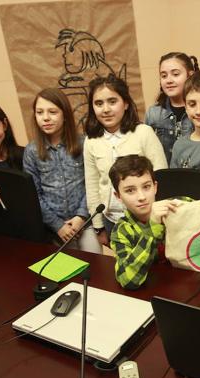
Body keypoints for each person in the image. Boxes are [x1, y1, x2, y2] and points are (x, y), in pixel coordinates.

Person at [84, 74, 167, 247]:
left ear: (126, 103)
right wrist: (98, 226)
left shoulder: (144, 133)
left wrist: (158, 218)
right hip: (112, 220)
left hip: (147, 219)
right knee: (126, 269)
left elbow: (162, 177)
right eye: (99, 104)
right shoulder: (91, 140)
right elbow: (92, 185)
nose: (106, 109)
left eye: (112, 101)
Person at [23, 88, 102, 254]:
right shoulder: (31, 151)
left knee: (97, 267)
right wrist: (58, 225)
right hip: (54, 229)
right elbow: (33, 194)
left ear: (65, 115)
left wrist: (81, 216)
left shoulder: (83, 143)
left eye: (52, 112)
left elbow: (92, 183)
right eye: (40, 112)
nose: (46, 118)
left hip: (85, 223)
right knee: (68, 273)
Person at [109, 155, 181, 289]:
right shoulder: (122, 230)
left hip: (186, 284)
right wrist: (151, 230)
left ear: (155, 187)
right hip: (151, 291)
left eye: (146, 187)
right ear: (118, 196)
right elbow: (128, 280)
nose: (141, 197)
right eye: (130, 190)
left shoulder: (174, 207)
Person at [145, 52, 200, 163]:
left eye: (175, 74)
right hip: (163, 177)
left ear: (190, 75)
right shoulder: (153, 114)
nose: (169, 80)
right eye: (164, 75)